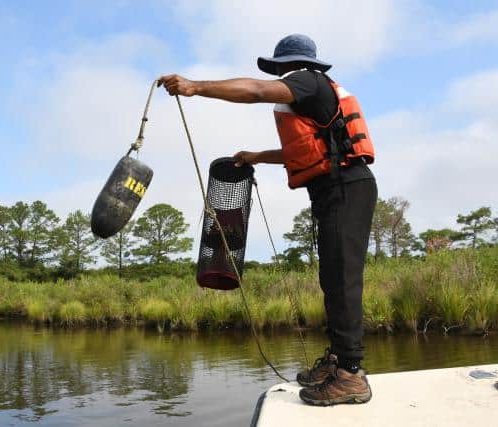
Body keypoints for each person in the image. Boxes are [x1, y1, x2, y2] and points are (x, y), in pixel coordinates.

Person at [158, 34, 377, 406]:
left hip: (347, 188)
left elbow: (257, 91)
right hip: (335, 189)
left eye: (278, 68)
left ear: (285, 65)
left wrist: (195, 87)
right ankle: (339, 360)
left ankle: (351, 375)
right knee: (332, 278)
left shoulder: (307, 80)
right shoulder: (309, 95)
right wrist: (257, 156)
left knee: (342, 279)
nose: (277, 75)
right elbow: (306, 149)